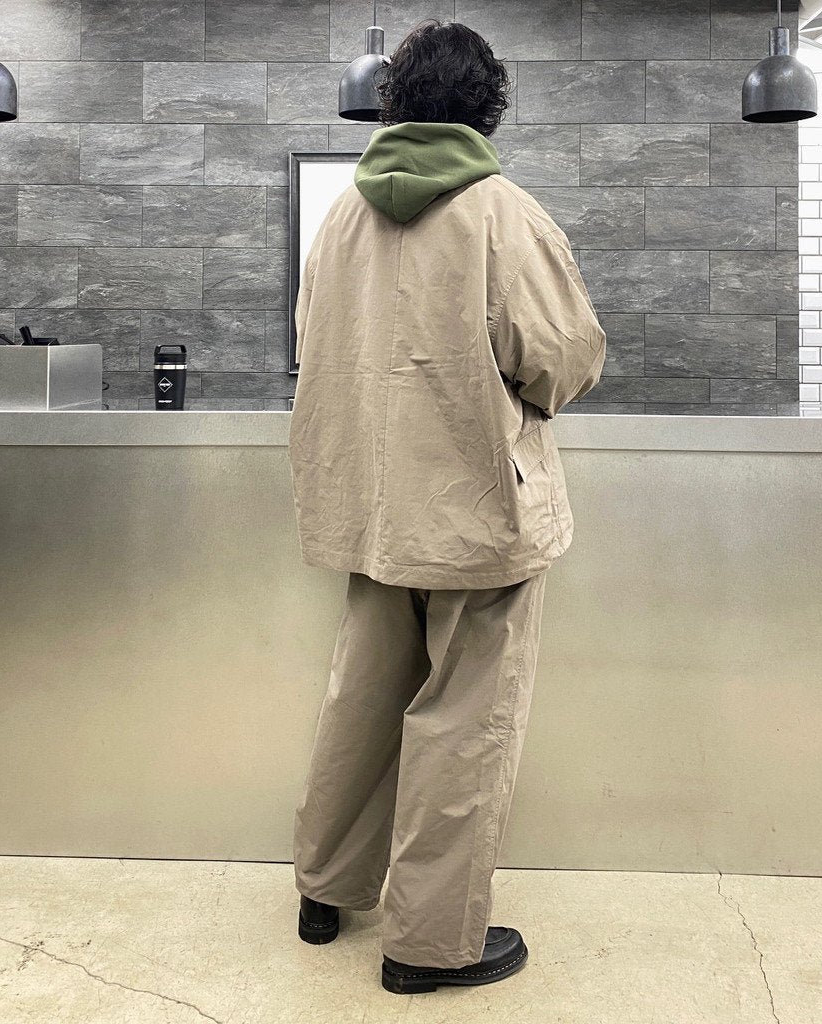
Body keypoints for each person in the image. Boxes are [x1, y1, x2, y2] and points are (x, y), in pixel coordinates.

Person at [289, 19, 606, 995]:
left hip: (373, 510)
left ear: (392, 103)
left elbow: (313, 344)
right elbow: (561, 361)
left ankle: (325, 889)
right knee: (464, 722)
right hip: (477, 512)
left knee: (361, 696)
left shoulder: (342, 218)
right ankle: (428, 945)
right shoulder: (503, 214)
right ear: (487, 107)